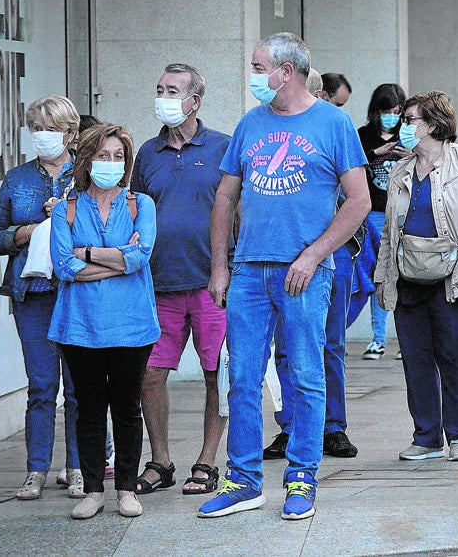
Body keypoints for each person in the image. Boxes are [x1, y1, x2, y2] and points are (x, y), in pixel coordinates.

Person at [199, 32, 370, 521]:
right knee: (243, 378)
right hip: (250, 271)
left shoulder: (334, 123)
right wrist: (219, 266)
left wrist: (314, 255)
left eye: (258, 66)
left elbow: (358, 201)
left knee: (307, 377)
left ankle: (301, 479)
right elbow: (225, 198)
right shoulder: (250, 124)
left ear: (286, 71)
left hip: (305, 273)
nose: (253, 75)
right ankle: (244, 480)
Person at [374, 92, 458, 463]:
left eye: (410, 119)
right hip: (407, 274)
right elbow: (388, 232)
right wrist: (383, 276)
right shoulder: (401, 169)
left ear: (432, 124)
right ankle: (426, 437)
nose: (404, 126)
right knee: (415, 357)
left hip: (452, 276)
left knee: (455, 354)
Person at [131, 64, 231, 496]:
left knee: (216, 375)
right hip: (158, 284)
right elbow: (133, 210)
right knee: (150, 375)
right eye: (159, 89)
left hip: (212, 283)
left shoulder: (224, 147)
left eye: (172, 90)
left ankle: (208, 461)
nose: (164, 96)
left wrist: (227, 268)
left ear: (195, 100)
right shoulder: (147, 153)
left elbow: (238, 210)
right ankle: (161, 461)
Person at [49, 124, 158, 519]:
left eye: (117, 157)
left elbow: (141, 256)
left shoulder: (140, 204)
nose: (109, 163)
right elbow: (64, 266)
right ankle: (93, 490)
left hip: (132, 324)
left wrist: (89, 252)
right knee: (89, 408)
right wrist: (117, 260)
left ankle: (126, 489)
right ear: (85, 159)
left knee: (127, 407)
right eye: (102, 155)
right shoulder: (67, 207)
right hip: (80, 324)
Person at [0, 95, 83, 501]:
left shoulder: (87, 175)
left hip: (79, 291)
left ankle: (80, 467)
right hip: (32, 293)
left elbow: (110, 225)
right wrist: (25, 232)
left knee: (82, 386)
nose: (43, 135)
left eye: (51, 127)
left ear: (70, 132)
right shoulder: (17, 178)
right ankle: (36, 470)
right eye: (36, 127)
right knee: (41, 385)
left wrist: (67, 215)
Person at [265, 71, 364, 463]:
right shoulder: (276, 133)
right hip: (287, 254)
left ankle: (333, 427)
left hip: (333, 252)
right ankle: (290, 426)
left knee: (330, 344)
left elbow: (355, 197)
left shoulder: (334, 130)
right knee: (286, 349)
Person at [356, 83, 407, 360]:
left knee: (402, 278)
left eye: (397, 111)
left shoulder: (407, 135)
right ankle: (378, 338)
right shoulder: (363, 136)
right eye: (386, 111)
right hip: (373, 215)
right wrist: (377, 153)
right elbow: (352, 166)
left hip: (402, 214)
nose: (392, 116)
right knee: (379, 277)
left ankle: (406, 340)